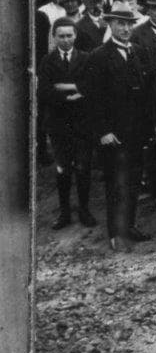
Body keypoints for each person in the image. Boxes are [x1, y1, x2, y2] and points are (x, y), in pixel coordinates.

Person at [80, 1, 156, 252]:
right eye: (120, 24)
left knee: (134, 180)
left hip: (137, 131)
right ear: (110, 24)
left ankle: (130, 225)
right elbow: (92, 99)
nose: (125, 29)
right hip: (113, 133)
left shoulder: (138, 51)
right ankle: (116, 233)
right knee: (115, 182)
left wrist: (151, 125)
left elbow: (146, 94)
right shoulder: (99, 56)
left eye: (128, 24)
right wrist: (103, 131)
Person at [39, 17, 95, 229]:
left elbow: (91, 86)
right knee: (63, 169)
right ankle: (64, 213)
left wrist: (66, 87)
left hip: (82, 124)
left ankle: (84, 210)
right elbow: (44, 91)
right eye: (61, 36)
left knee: (83, 168)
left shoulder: (86, 58)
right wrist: (70, 93)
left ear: (75, 36)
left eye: (69, 35)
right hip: (58, 124)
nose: (65, 40)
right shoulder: (47, 61)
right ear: (54, 37)